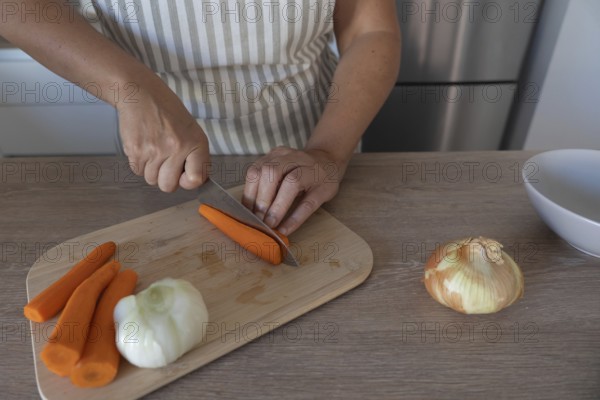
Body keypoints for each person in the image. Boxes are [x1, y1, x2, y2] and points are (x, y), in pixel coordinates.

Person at [0, 0, 400, 235]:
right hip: (156, 170)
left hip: (318, 148)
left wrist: (329, 152)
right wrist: (131, 87)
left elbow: (370, 29)